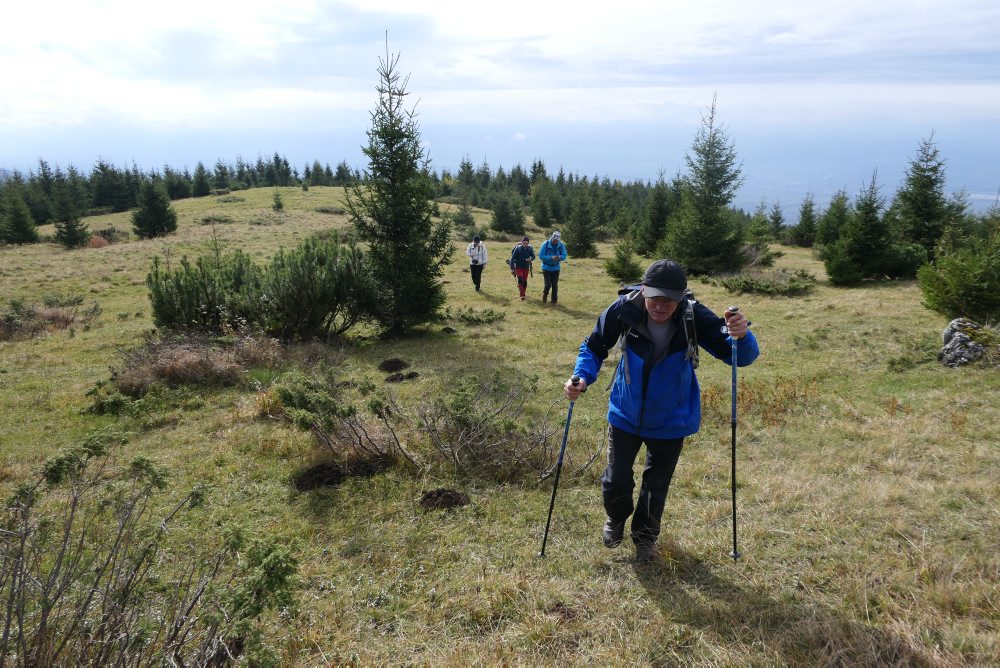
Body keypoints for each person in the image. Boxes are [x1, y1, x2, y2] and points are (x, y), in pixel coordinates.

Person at [563, 259, 759, 562]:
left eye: (670, 298)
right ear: (643, 289)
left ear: (682, 297)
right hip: (625, 413)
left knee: (656, 486)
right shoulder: (624, 309)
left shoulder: (694, 316)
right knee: (616, 480)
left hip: (671, 417)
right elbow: (593, 346)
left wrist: (741, 335)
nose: (661, 305)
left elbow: (740, 357)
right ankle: (616, 519)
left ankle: (644, 540)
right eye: (655, 296)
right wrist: (581, 377)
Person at [538, 230, 568, 304]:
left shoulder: (561, 245)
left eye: (557, 240)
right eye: (554, 239)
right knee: (548, 284)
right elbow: (541, 256)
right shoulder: (545, 244)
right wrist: (551, 258)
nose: (555, 241)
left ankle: (554, 301)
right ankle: (545, 294)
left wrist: (559, 257)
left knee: (555, 285)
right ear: (552, 237)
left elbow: (564, 255)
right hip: (546, 268)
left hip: (556, 268)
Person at [509, 236, 535, 301]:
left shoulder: (530, 248)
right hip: (518, 267)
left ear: (528, 243)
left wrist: (530, 258)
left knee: (525, 281)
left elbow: (533, 256)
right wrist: (512, 268)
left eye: (526, 243)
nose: (525, 244)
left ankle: (523, 293)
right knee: (520, 279)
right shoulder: (518, 248)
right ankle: (522, 295)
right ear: (521, 242)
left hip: (526, 267)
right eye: (524, 243)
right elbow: (512, 258)